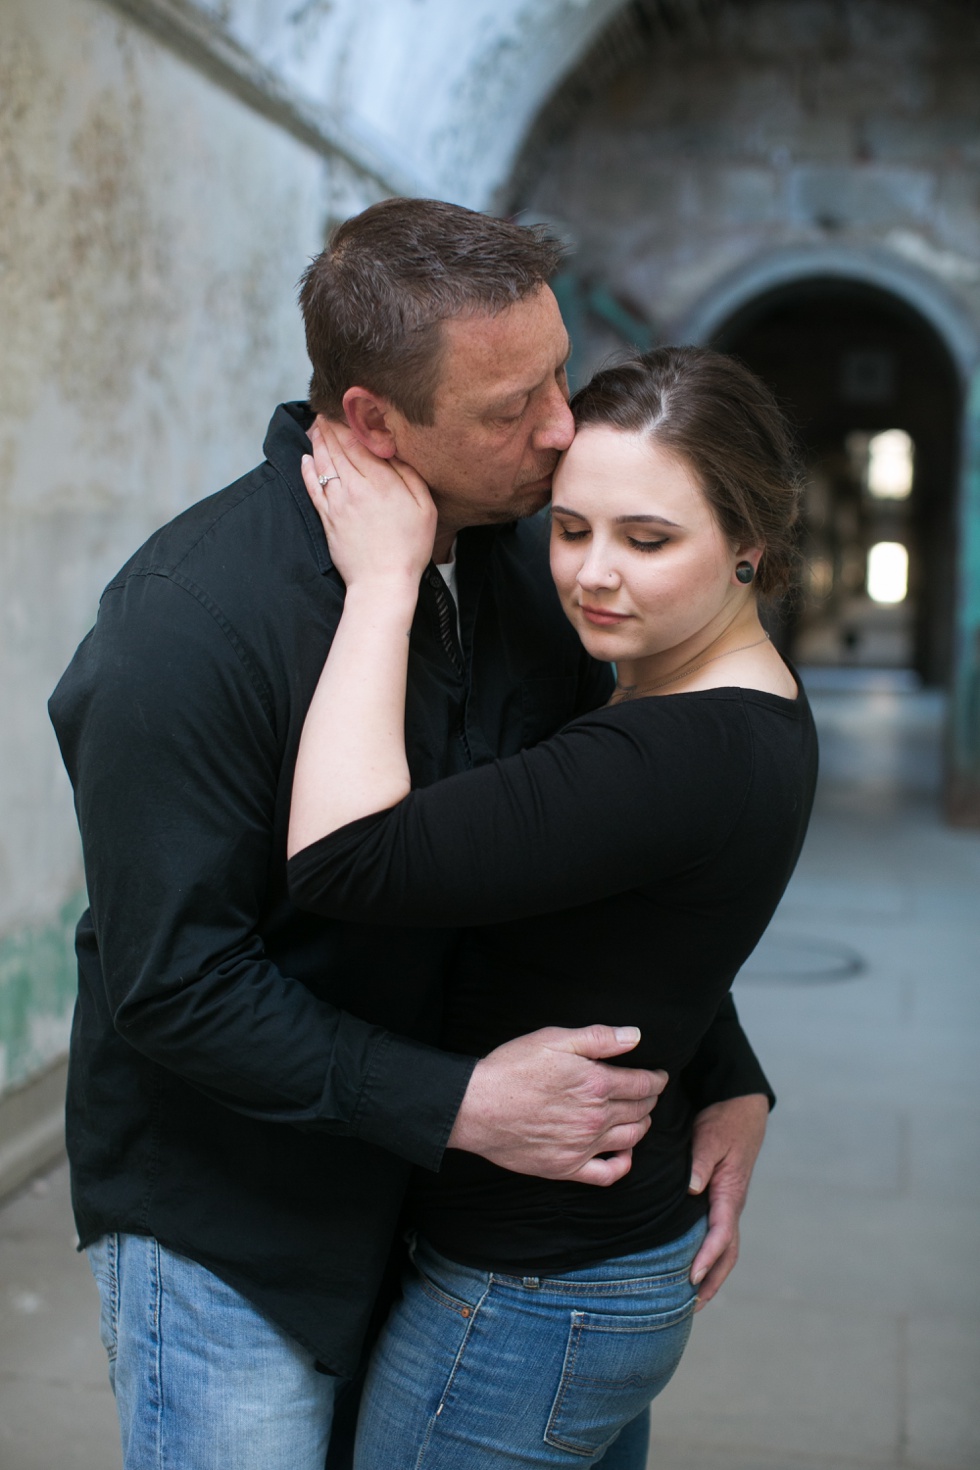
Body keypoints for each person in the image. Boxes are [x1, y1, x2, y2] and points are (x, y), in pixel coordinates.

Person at [48, 199, 775, 1470]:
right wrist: (461, 1105)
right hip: (233, 1224)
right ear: (374, 420)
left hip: (436, 1204)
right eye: (511, 409)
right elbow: (174, 983)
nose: (561, 431)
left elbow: (572, 847)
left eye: (557, 374)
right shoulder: (184, 632)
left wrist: (723, 1066)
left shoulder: (514, 553)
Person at [286, 344, 818, 1468]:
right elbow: (644, 932)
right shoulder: (743, 701)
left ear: (747, 546)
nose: (591, 574)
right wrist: (735, 1077)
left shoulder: (666, 751)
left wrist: (385, 579)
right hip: (597, 1268)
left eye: (647, 539)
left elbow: (342, 857)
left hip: (532, 1295)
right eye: (571, 530)